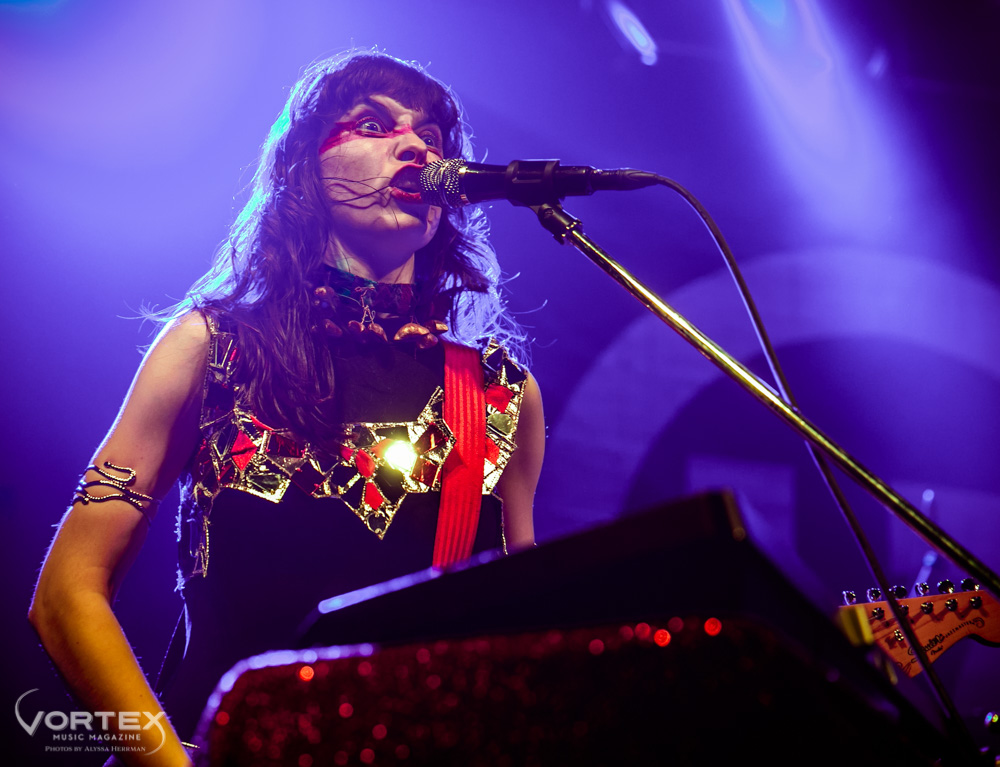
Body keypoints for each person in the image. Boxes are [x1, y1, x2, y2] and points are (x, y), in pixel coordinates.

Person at [29, 51, 545, 767]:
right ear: (306, 164)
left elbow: (524, 637)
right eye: (373, 123)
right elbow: (66, 593)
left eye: (432, 135)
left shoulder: (499, 396)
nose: (418, 148)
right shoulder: (211, 346)